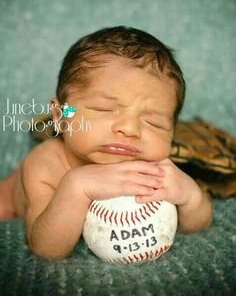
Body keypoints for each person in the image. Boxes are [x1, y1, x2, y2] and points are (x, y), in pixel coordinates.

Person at [0, 26, 212, 259]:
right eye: (104, 109)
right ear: (60, 116)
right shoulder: (46, 164)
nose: (130, 129)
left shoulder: (153, 167)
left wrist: (190, 197)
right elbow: (45, 249)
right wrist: (76, 187)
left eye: (154, 123)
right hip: (11, 195)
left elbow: (197, 226)